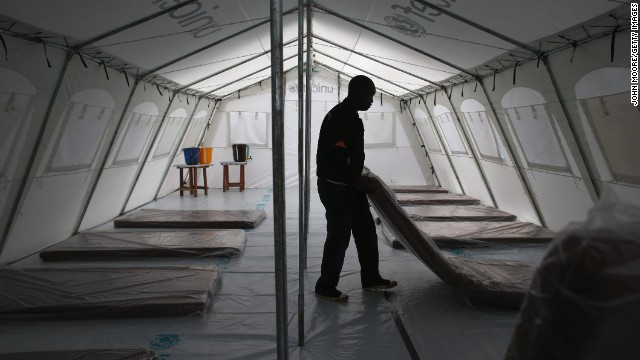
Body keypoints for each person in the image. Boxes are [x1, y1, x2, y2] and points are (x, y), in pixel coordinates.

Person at [315, 75, 397, 302]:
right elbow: (334, 158)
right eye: (370, 96)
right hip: (336, 188)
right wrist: (354, 179)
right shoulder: (340, 117)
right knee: (338, 238)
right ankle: (325, 286)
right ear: (358, 93)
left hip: (350, 186)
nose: (371, 101)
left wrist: (358, 178)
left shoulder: (351, 116)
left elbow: (349, 154)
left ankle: (370, 278)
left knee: (367, 232)